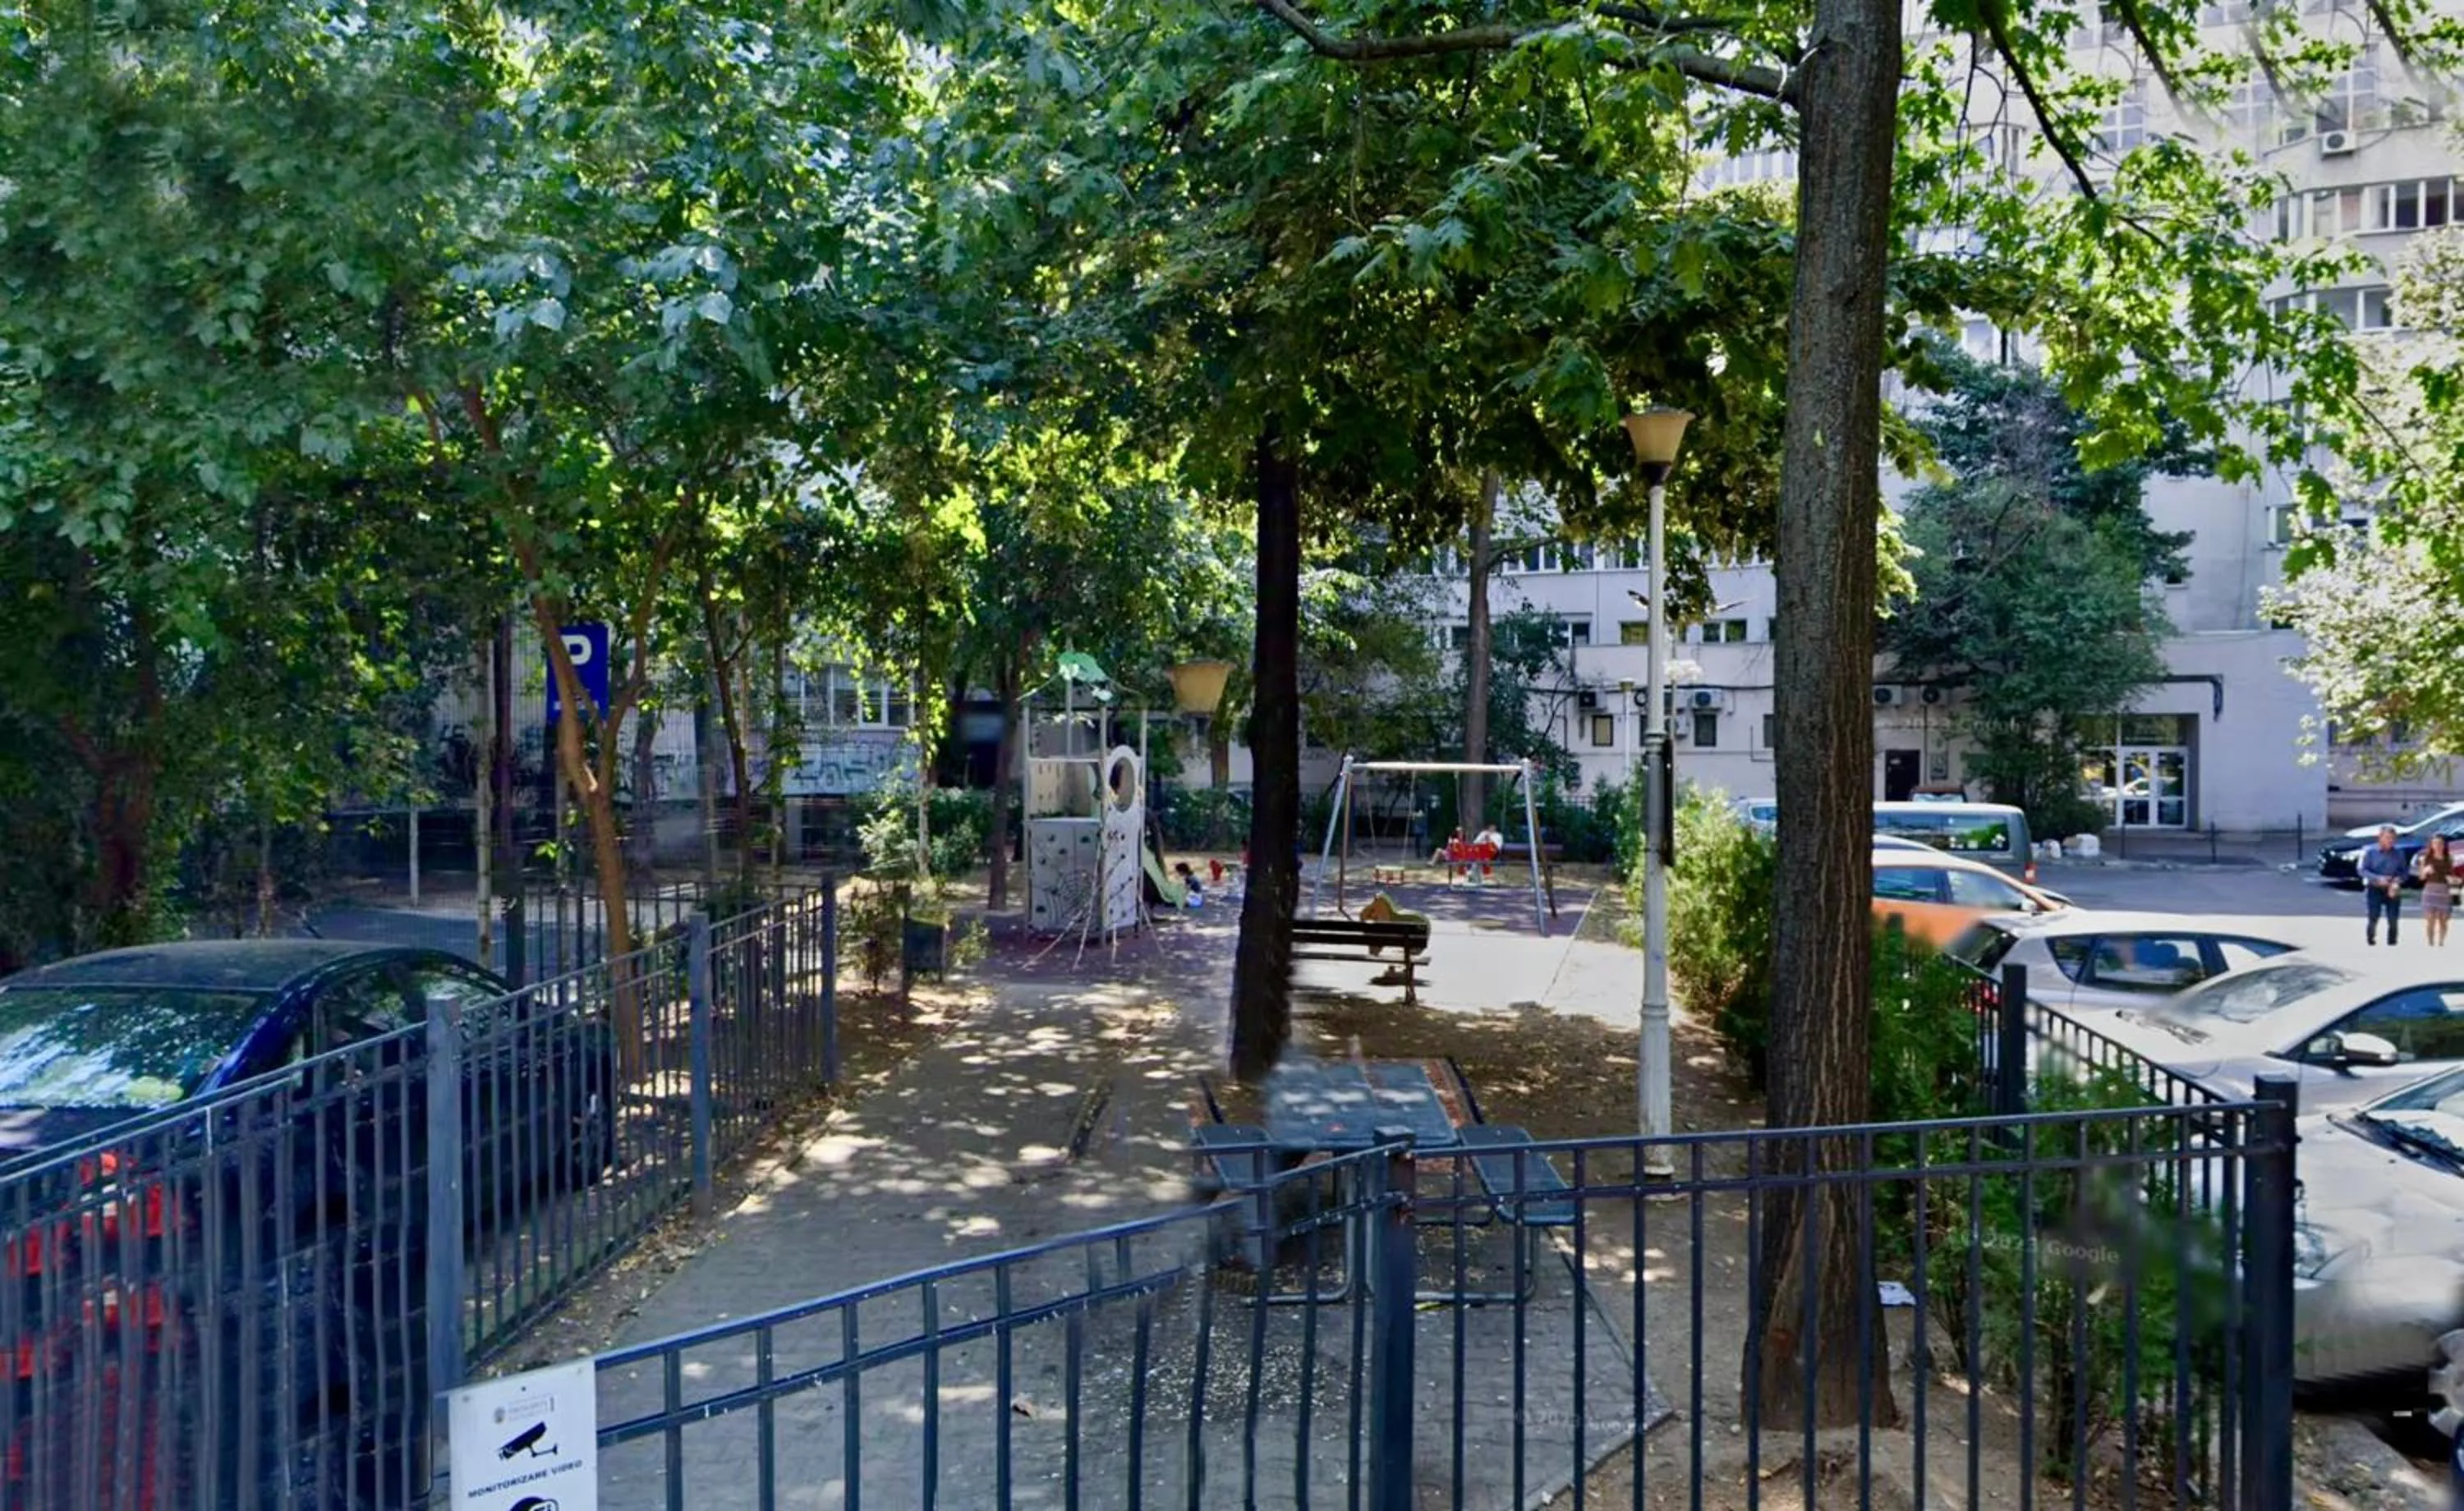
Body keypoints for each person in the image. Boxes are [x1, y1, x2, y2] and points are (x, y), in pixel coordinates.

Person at [2358, 824, 2409, 946]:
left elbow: (2404, 872)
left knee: (2393, 919)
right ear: (2380, 838)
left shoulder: (2399, 853)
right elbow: (2362, 870)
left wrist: (2398, 881)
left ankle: (2392, 942)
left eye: (2392, 838)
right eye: (2387, 838)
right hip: (2375, 888)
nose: (2390, 841)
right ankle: (2371, 939)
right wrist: (2378, 878)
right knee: (2373, 916)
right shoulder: (2370, 852)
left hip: (2392, 888)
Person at [2420, 834, 2457, 947]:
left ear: (2444, 845)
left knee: (2443, 921)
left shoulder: (2449, 858)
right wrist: (2425, 871)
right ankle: (2430, 943)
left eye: (2440, 843)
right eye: (2435, 843)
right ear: (2431, 845)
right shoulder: (2426, 858)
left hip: (2444, 891)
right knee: (2430, 920)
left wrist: (2453, 880)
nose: (2438, 846)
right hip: (2430, 890)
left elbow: (2452, 876)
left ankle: (2441, 943)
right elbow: (2421, 877)